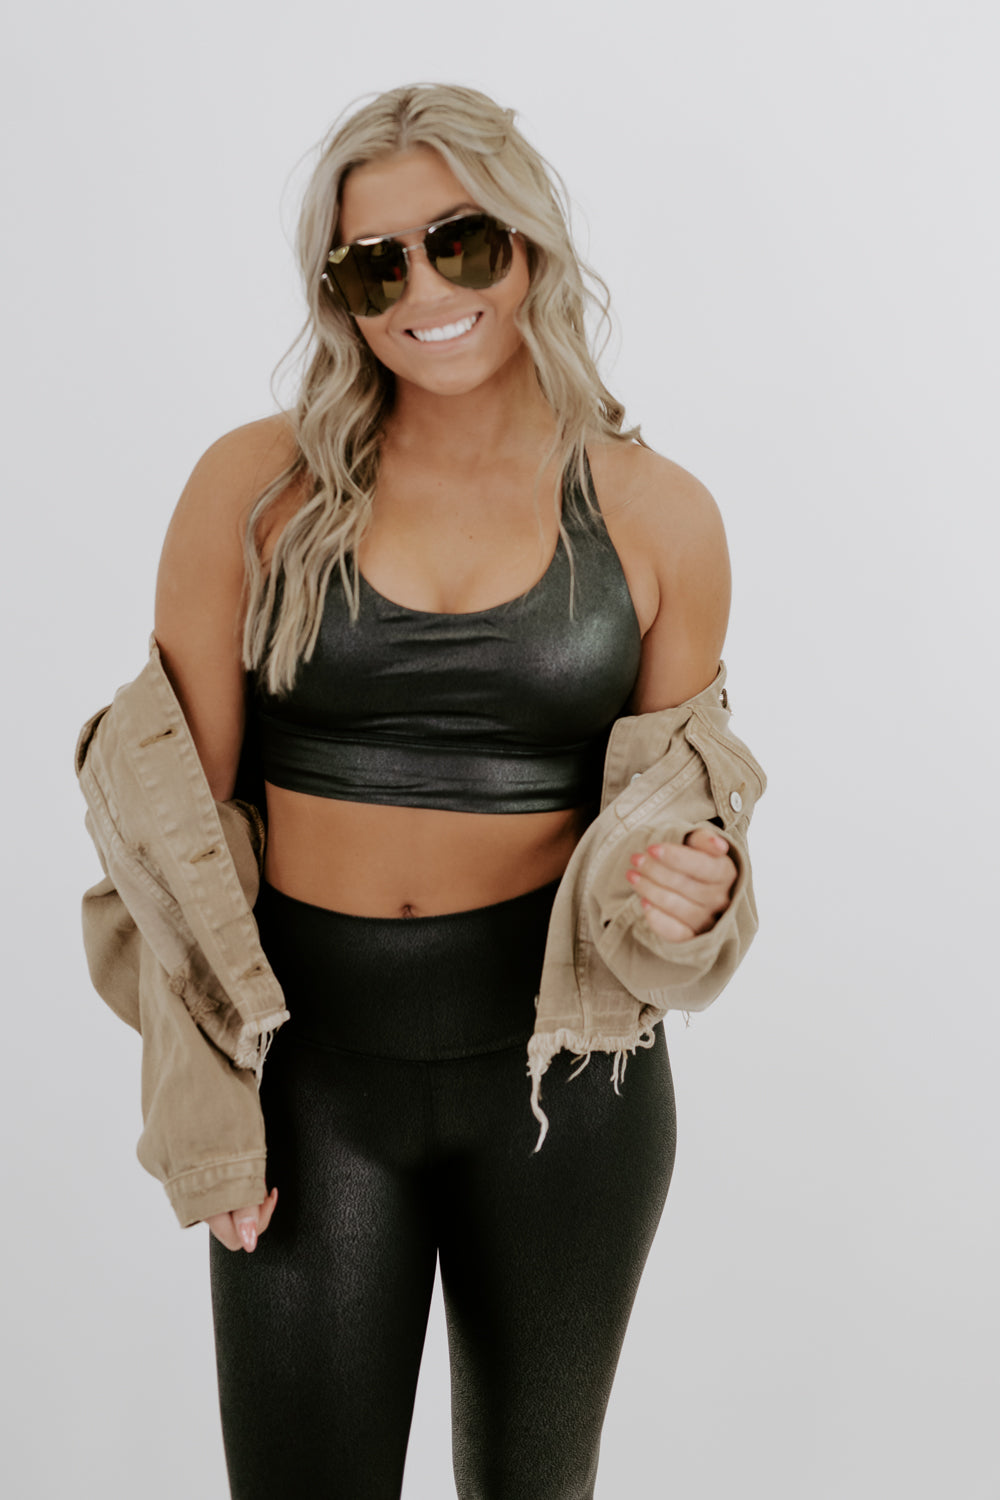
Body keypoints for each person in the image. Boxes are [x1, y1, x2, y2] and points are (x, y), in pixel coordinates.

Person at [79, 83, 766, 1500]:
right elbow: (167, 843)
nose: (426, 293)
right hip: (312, 1080)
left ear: (529, 243)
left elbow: (682, 824)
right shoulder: (252, 491)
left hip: (566, 1092)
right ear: (340, 293)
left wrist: (701, 892)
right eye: (375, 264)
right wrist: (204, 1108)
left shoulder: (660, 516)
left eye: (460, 242)